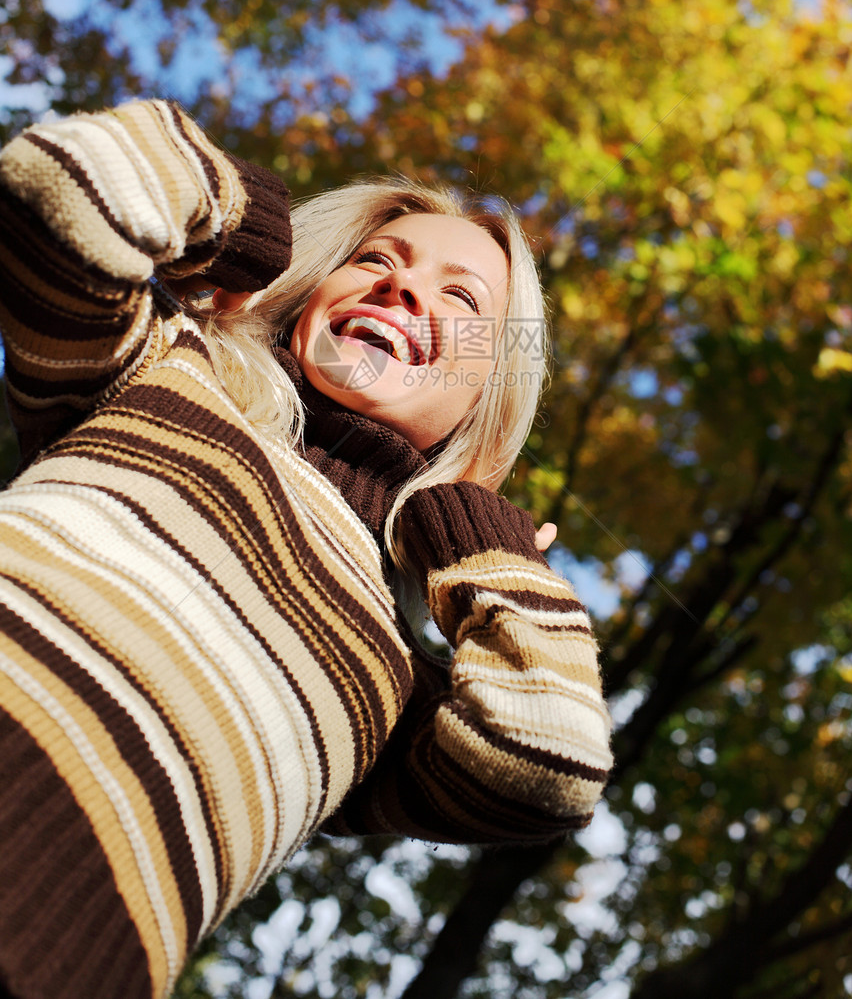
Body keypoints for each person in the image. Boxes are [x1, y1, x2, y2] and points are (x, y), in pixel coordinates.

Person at [0, 99, 612, 999]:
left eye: (462, 297)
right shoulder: (158, 370)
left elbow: (547, 766)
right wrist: (241, 219)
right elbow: (57, 183)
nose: (404, 290)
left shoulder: (403, 686)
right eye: (375, 260)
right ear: (310, 286)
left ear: (488, 397)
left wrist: (481, 549)